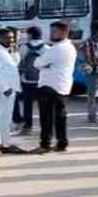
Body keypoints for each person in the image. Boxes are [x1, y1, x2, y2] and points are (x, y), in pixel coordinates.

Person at [33, 21, 77, 153]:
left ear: (65, 32)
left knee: (46, 117)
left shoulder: (56, 49)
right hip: (62, 86)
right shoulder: (70, 47)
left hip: (49, 85)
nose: (51, 34)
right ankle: (62, 143)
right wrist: (47, 65)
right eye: (51, 31)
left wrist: (45, 65)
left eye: (54, 32)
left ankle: (45, 144)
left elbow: (37, 63)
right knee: (60, 116)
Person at [0, 28, 27, 154]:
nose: (11, 40)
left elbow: (14, 64)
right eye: (7, 38)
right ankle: (6, 144)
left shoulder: (3, 51)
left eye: (12, 38)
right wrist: (5, 88)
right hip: (4, 89)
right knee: (5, 117)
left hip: (7, 88)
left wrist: (14, 52)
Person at [17, 26, 46, 135]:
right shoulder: (46, 48)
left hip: (26, 80)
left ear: (30, 35)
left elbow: (20, 61)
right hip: (41, 80)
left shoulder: (24, 47)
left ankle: (27, 127)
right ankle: (45, 128)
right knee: (43, 105)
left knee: (27, 105)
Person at [78, 21, 98, 123]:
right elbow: (80, 59)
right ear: (95, 31)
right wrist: (86, 67)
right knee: (91, 95)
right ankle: (92, 115)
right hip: (92, 73)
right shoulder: (85, 44)